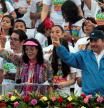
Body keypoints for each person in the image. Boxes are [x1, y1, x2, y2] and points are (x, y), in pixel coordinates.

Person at [52, 30, 104, 95]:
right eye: (91, 41)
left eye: (96, 41)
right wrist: (59, 47)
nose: (93, 44)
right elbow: (68, 58)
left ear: (103, 41)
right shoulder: (84, 55)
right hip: (89, 99)